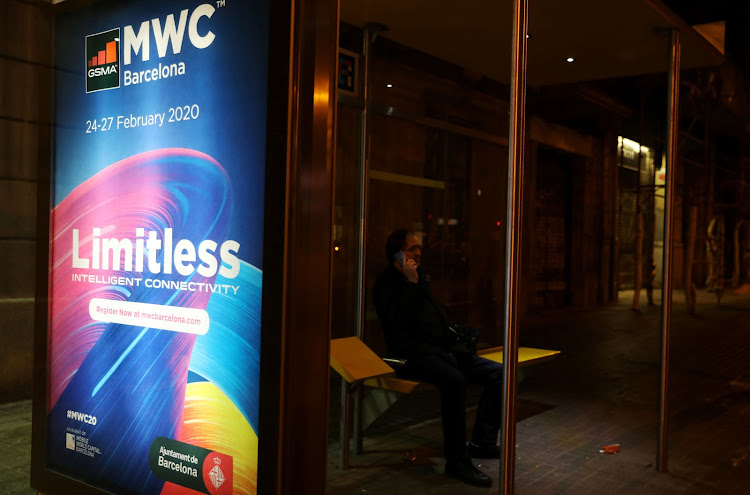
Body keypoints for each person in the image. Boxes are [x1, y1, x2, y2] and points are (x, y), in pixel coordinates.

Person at [373, 229, 504, 487]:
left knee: (498, 374)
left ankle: (482, 442)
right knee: (454, 382)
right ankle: (457, 461)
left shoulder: (420, 278)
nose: (418, 253)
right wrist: (411, 283)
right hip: (411, 355)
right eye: (412, 249)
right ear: (397, 255)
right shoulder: (387, 283)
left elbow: (434, 314)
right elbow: (400, 322)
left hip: (440, 351)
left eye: (418, 248)